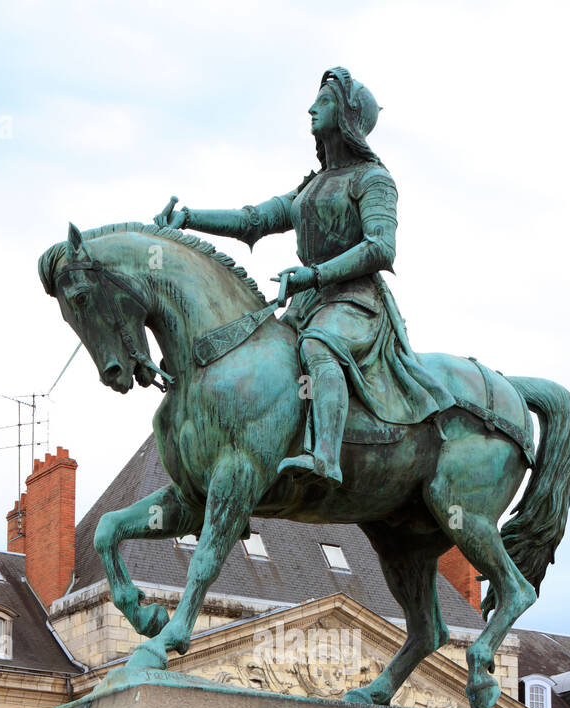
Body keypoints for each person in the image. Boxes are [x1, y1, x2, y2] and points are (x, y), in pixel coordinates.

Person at [155, 66, 454, 486]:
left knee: (317, 347)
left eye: (326, 101)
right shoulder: (312, 187)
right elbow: (253, 220)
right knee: (265, 357)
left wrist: (314, 275)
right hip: (310, 302)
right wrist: (187, 218)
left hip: (356, 303)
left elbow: (380, 247)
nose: (312, 108)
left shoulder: (373, 180)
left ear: (348, 117)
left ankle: (326, 456)